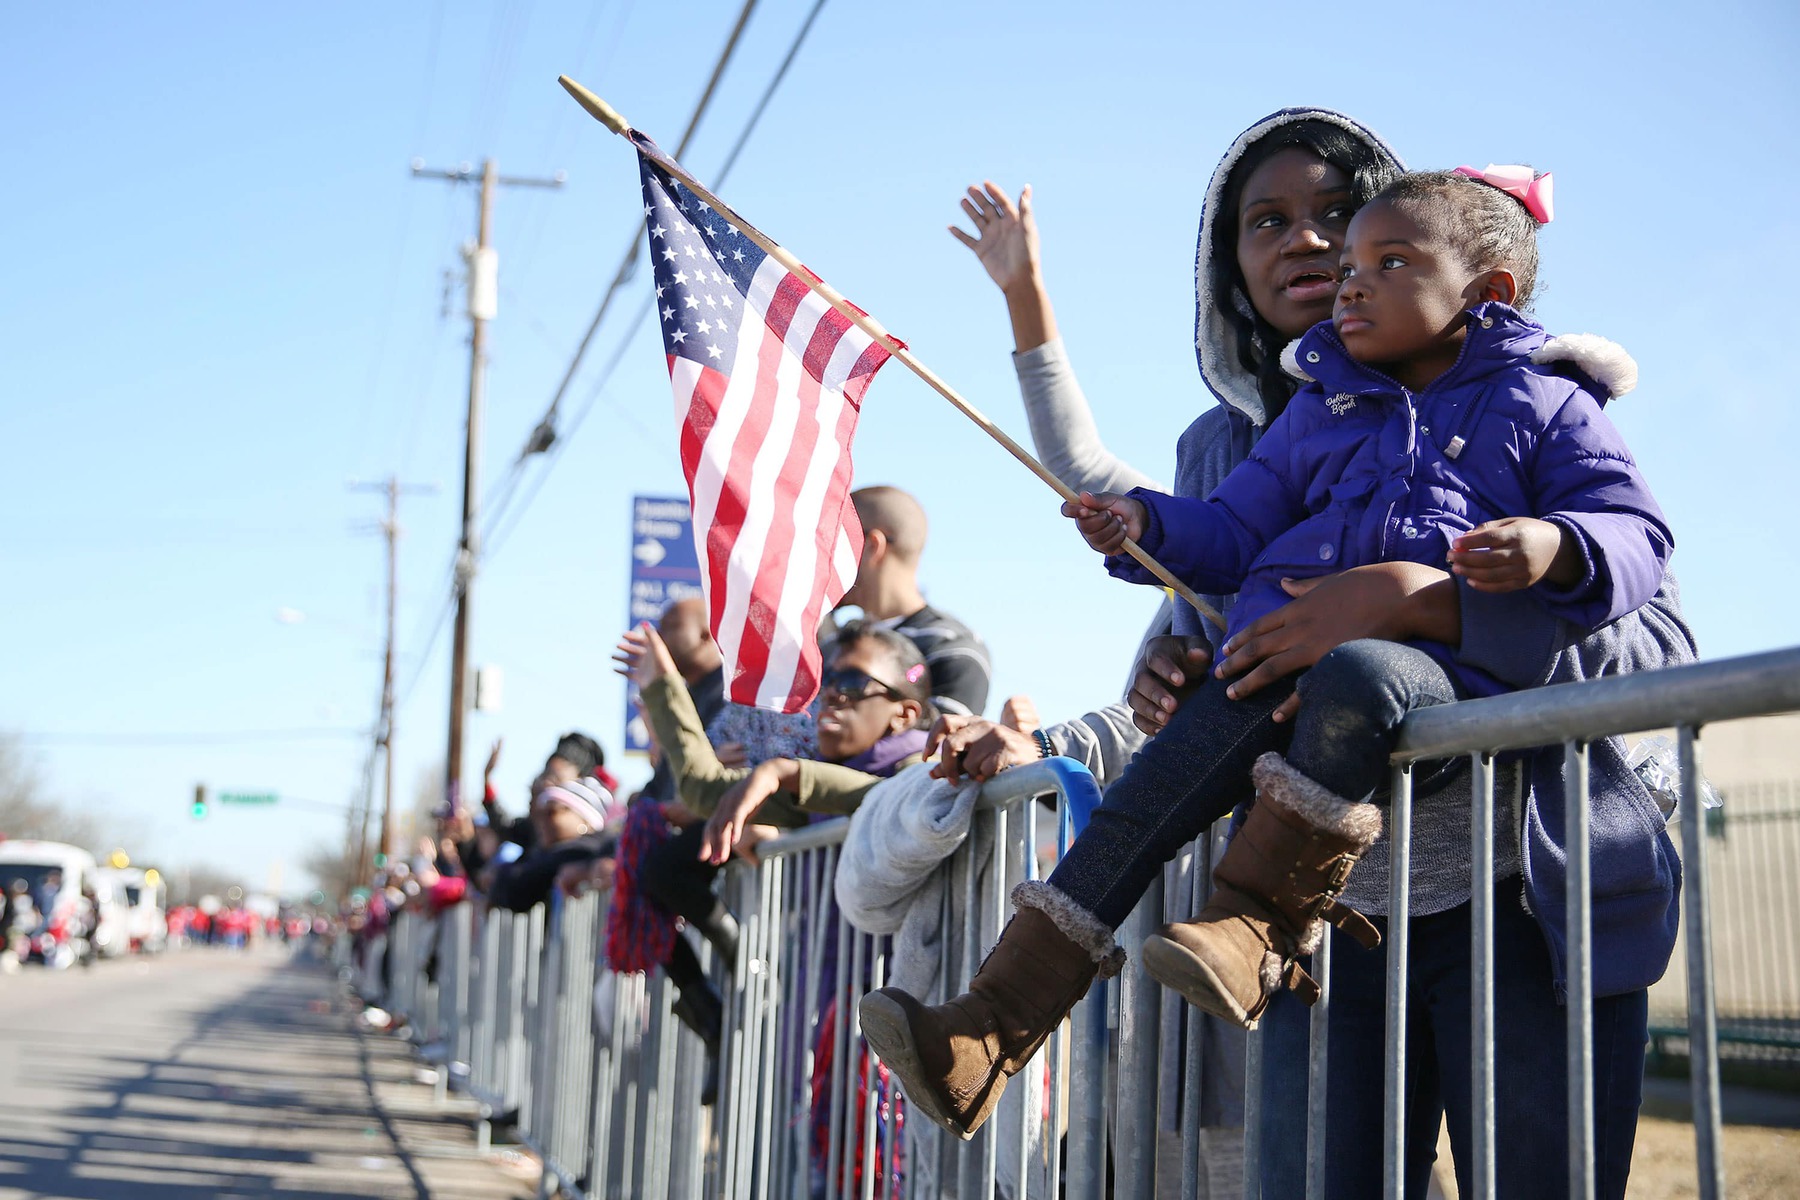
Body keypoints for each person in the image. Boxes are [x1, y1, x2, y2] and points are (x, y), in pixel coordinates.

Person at [885, 112, 1696, 1198]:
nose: (1323, 257)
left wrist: (1423, 598)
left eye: (1361, 238)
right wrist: (1145, 532)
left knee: (1358, 674)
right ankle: (996, 1017)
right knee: (1187, 751)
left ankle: (1255, 915)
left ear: (1483, 288)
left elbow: (1646, 613)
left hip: (1524, 895)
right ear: (1228, 264)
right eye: (1271, 223)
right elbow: (1223, 534)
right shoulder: (1303, 420)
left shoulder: (1548, 402)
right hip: (1346, 928)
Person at [614, 618, 935, 1104]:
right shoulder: (821, 783)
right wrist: (664, 685)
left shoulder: (925, 769)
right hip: (834, 1010)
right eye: (827, 684)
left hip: (905, 1026)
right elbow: (703, 787)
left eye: (851, 684)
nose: (830, 697)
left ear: (904, 713)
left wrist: (783, 770)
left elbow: (892, 796)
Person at [836, 485, 991, 718]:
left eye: (836, 543)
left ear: (872, 546)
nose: (825, 556)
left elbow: (937, 749)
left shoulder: (952, 650)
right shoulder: (831, 643)